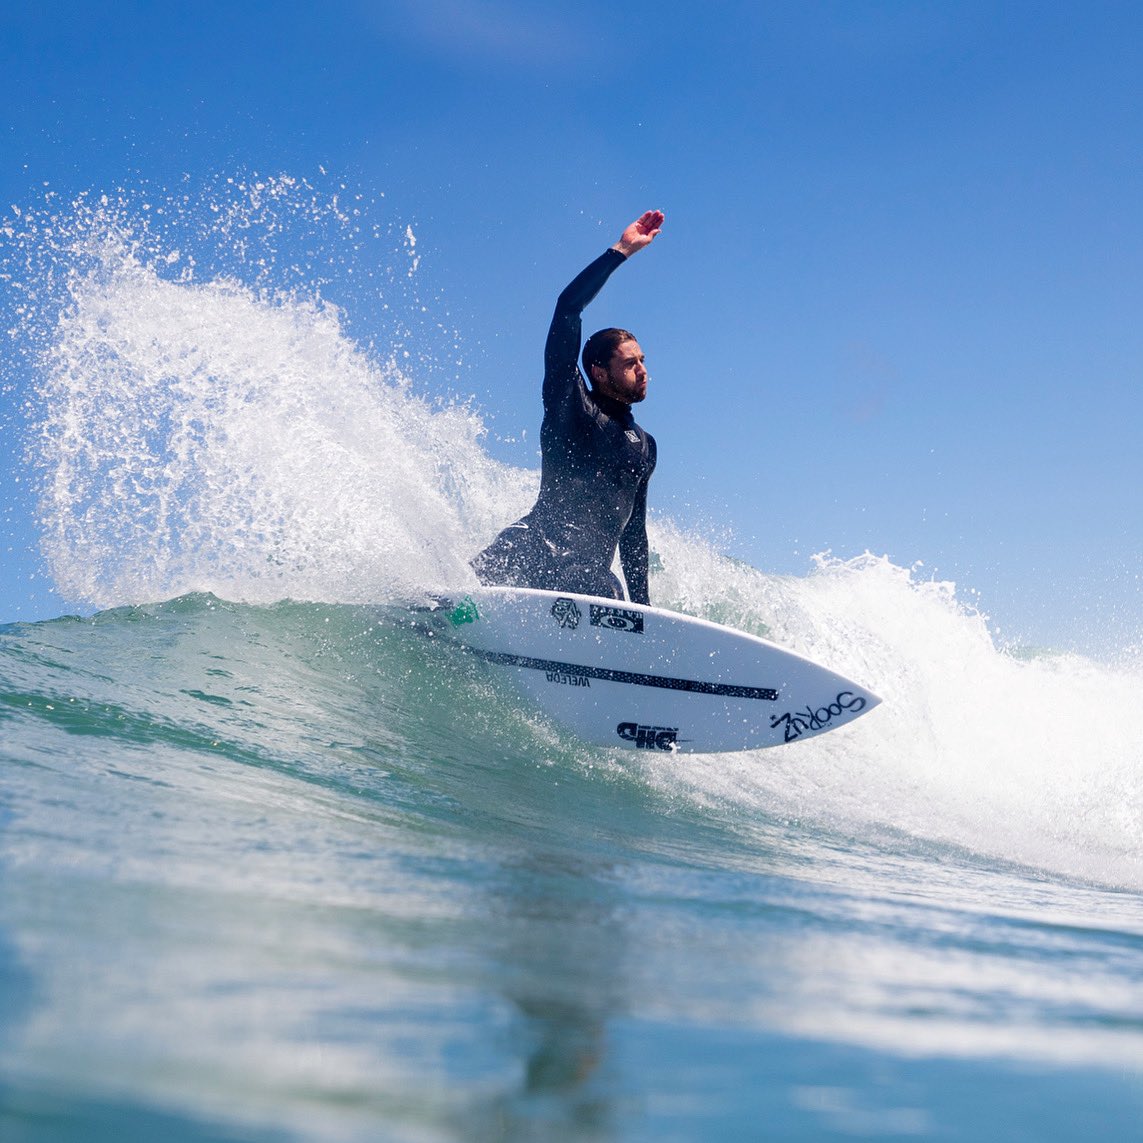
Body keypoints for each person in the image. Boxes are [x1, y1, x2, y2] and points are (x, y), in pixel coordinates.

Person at [471, 210, 665, 605]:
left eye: (642, 361)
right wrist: (621, 250)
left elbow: (633, 534)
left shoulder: (645, 446)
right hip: (530, 548)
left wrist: (643, 610)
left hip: (585, 575)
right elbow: (567, 308)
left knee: (606, 590)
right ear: (599, 371)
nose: (642, 370)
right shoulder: (570, 405)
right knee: (475, 580)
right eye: (630, 363)